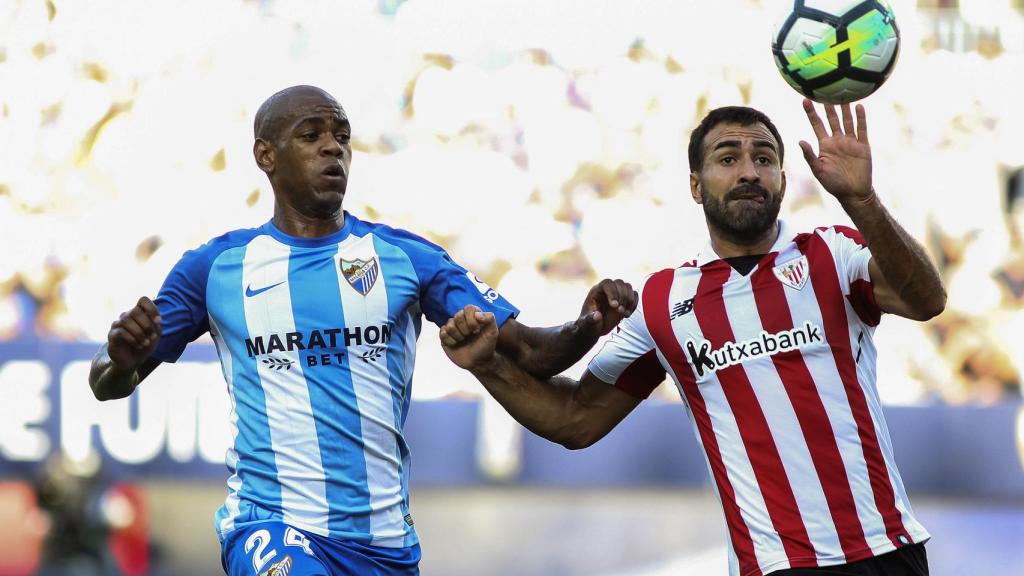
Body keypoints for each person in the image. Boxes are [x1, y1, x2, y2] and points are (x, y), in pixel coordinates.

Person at [87, 85, 636, 576]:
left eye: (342, 136)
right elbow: (108, 383)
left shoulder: (404, 257)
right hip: (270, 528)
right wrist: (122, 358)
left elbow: (534, 354)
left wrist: (588, 324)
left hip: (384, 546)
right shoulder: (215, 269)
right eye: (312, 135)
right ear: (266, 155)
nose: (333, 148)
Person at [440, 100, 945, 576]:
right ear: (696, 186)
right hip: (773, 565)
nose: (749, 171)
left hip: (886, 548)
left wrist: (863, 200)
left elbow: (926, 300)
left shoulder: (832, 254)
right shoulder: (665, 301)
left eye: (764, 159)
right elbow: (575, 420)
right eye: (729, 158)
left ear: (783, 180)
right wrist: (487, 365)